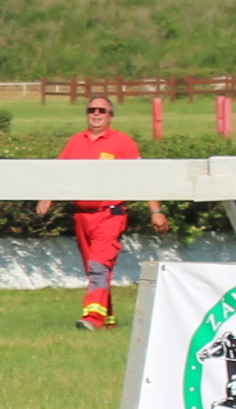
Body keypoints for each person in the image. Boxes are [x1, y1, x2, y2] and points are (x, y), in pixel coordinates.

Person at [34, 93, 171, 332]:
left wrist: (156, 211)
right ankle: (107, 319)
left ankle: (92, 319)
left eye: (102, 111)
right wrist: (47, 196)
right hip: (82, 217)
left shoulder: (122, 142)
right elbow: (59, 171)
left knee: (99, 265)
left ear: (111, 117)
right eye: (91, 110)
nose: (96, 114)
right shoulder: (77, 141)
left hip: (110, 216)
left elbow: (143, 178)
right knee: (95, 269)